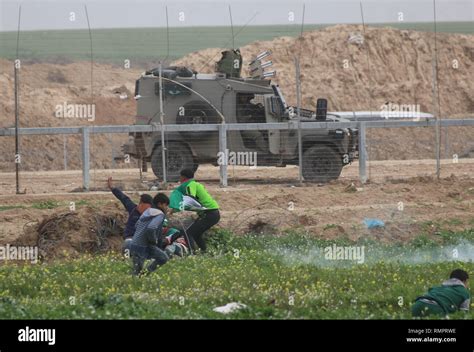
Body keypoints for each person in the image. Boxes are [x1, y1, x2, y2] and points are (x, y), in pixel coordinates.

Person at [169, 169, 220, 253]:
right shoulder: (196, 184)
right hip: (213, 213)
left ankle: (192, 254)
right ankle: (205, 252)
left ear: (183, 177)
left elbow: (190, 200)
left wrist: (175, 209)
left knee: (188, 233)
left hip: (209, 214)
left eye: (180, 177)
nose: (180, 179)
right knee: (196, 234)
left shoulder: (190, 185)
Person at [107, 177, 153, 254]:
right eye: (146, 208)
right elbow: (123, 198)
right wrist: (112, 188)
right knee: (128, 245)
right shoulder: (132, 208)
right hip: (130, 238)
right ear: (141, 204)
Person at [129, 193, 170, 276]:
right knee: (137, 273)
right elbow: (151, 228)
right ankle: (142, 276)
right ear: (159, 204)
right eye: (165, 205)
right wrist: (153, 240)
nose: (167, 208)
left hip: (136, 243)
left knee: (163, 258)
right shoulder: (160, 214)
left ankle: (144, 274)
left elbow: (137, 225)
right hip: (143, 245)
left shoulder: (148, 211)